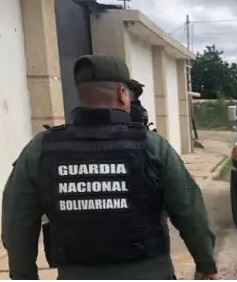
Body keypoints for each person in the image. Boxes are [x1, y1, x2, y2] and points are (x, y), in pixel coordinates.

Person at [1, 55, 217, 280]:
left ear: (80, 95)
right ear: (122, 94)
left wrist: (23, 275)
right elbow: (189, 210)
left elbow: (17, 221)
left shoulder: (40, 149)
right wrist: (206, 264)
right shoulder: (152, 146)